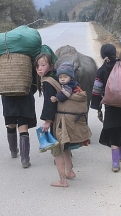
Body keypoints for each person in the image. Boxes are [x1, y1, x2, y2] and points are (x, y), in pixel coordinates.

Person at [36, 54, 91, 187]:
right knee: (65, 146)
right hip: (66, 119)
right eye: (37, 66)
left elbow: (49, 104)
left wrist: (47, 121)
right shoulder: (58, 78)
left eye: (43, 65)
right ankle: (70, 171)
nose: (39, 68)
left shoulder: (49, 82)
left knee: (57, 150)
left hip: (59, 120)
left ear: (50, 65)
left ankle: (62, 180)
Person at [90, 43, 121, 172]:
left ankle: (115, 163)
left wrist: (98, 108)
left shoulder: (101, 70)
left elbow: (96, 90)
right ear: (115, 53)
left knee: (113, 133)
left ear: (102, 55)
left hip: (110, 107)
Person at [2, 59, 37, 168]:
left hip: (7, 94)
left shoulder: (3, 59)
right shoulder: (27, 58)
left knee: (11, 123)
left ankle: (13, 151)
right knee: (23, 127)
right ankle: (25, 159)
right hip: (24, 94)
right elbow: (34, 83)